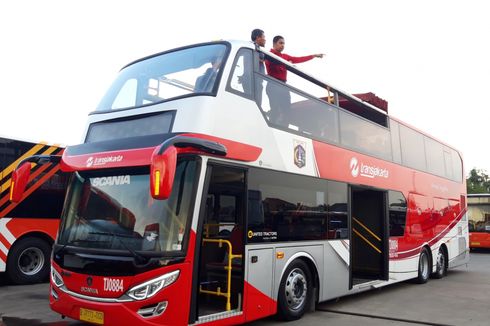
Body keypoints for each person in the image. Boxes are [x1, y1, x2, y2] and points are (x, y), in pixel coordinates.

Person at [265, 35, 324, 124]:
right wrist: (285, 64)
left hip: (283, 86)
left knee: (287, 111)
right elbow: (271, 65)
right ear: (274, 44)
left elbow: (298, 59)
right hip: (273, 85)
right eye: (280, 43)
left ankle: (283, 130)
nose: (283, 45)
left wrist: (313, 56)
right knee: (275, 110)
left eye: (284, 43)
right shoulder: (269, 54)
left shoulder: (285, 56)